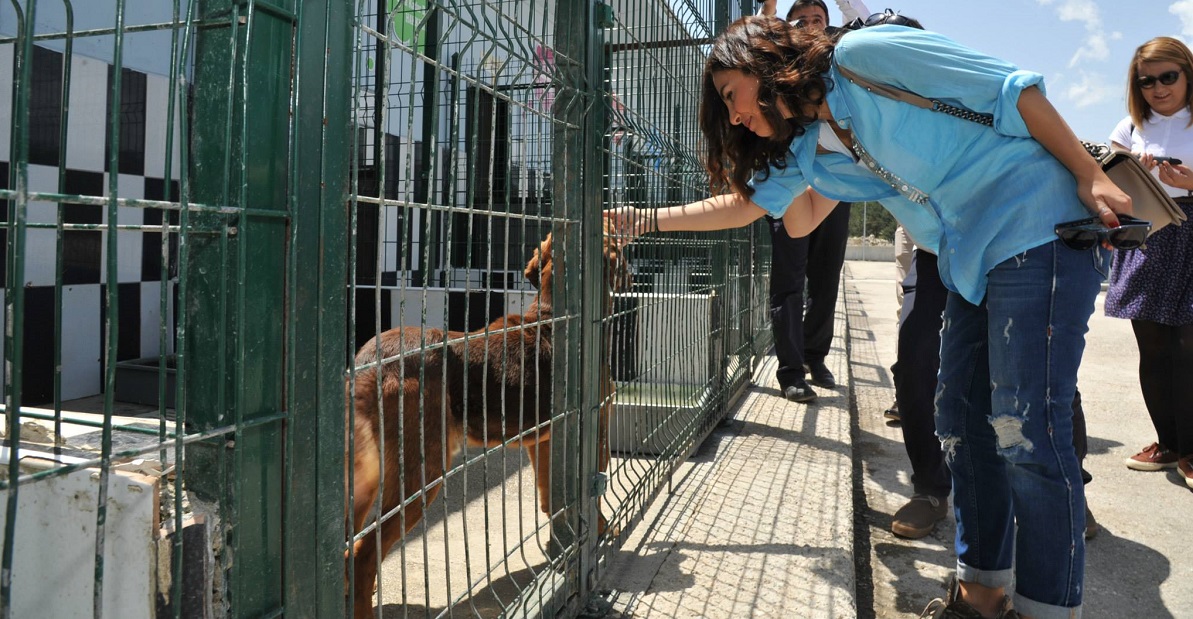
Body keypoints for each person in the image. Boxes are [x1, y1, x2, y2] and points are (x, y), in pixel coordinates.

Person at [607, 16, 1131, 619]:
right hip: (966, 257)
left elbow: (1015, 91)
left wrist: (1091, 176)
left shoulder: (865, 54)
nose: (732, 117)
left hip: (1036, 223)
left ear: (763, 64)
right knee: (960, 423)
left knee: (1027, 431)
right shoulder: (804, 143)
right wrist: (640, 218)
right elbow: (745, 208)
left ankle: (1046, 610)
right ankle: (980, 596)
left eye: (731, 95)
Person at [756, 0, 861, 402]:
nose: (812, 24)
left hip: (834, 184)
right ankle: (791, 371)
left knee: (826, 274)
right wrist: (769, 8)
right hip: (790, 182)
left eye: (819, 18)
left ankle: (816, 356)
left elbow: (862, 20)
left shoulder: (839, 56)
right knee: (788, 279)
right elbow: (758, 40)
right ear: (790, 26)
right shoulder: (781, 59)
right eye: (802, 19)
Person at [1106, 36, 1193, 489]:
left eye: (1168, 77)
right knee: (1154, 347)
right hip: (1151, 233)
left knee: (1188, 348)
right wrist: (1132, 173)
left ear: (1187, 73)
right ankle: (1169, 444)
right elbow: (1104, 182)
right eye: (1146, 81)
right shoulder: (1127, 127)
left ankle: (1192, 449)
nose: (1158, 89)